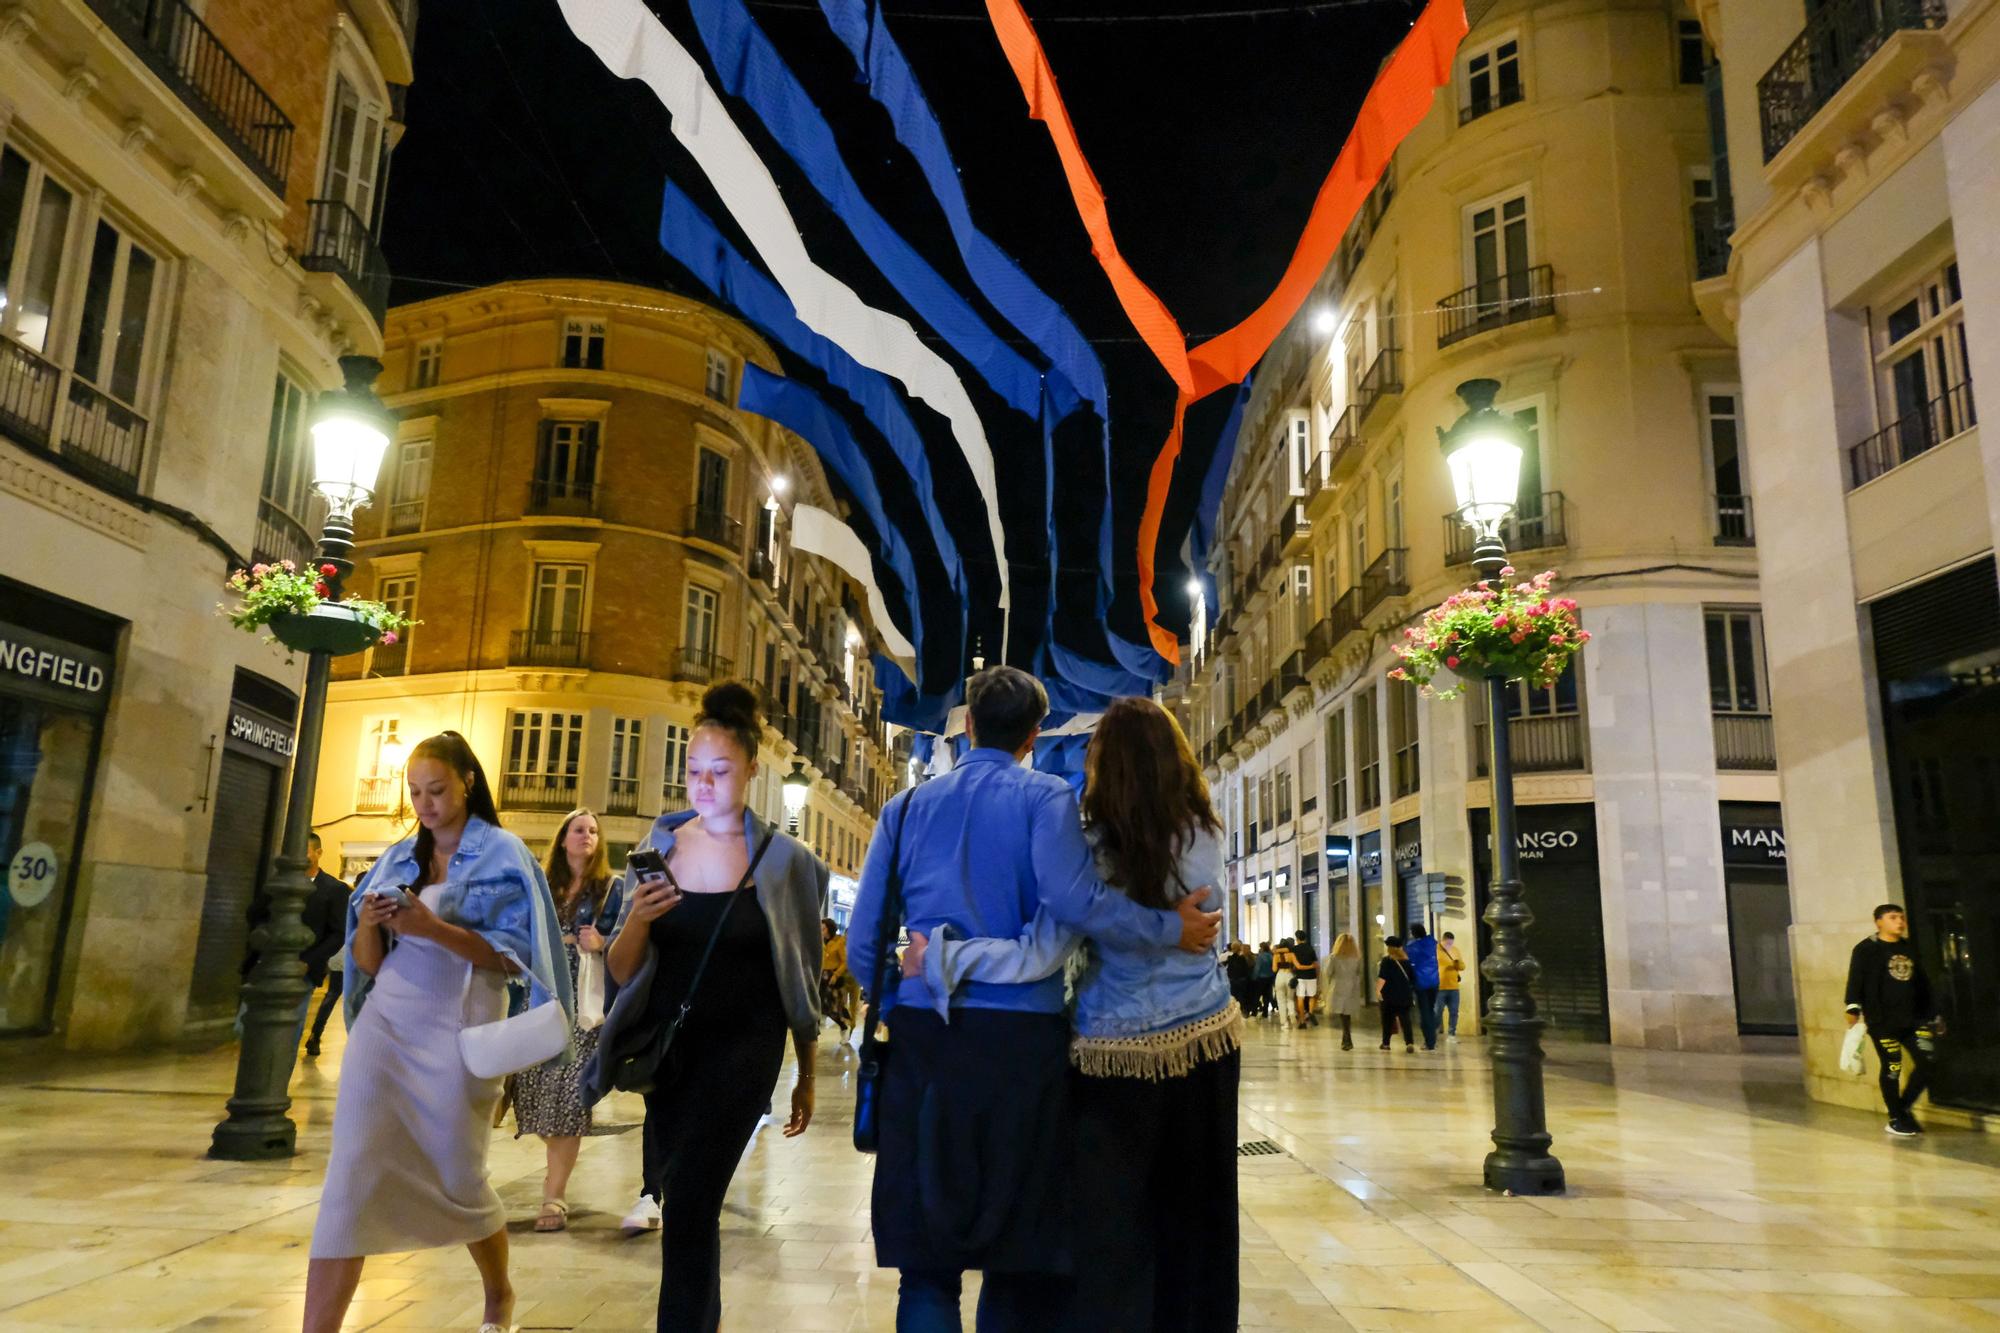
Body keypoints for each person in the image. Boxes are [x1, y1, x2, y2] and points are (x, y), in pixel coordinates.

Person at [845, 666, 1221, 1333]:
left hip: (926, 1044)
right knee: (1017, 1256)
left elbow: (862, 946)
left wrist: (909, 992)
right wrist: (1172, 927)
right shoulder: (1048, 799)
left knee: (926, 1265)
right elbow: (1079, 905)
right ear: (1035, 733)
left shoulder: (902, 812)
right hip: (1022, 1049)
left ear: (966, 726)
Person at [304, 731, 573, 1333]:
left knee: (459, 1176)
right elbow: (368, 962)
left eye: (437, 789)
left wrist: (428, 926)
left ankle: (498, 1294)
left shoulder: (506, 854)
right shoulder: (398, 857)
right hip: (387, 1024)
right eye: (416, 793)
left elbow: (517, 958)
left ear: (467, 781)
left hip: (464, 1026)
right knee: (350, 1175)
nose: (425, 804)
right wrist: (373, 923)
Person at [592, 681, 827, 1332]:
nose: (704, 783)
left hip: (744, 1056)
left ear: (752, 769)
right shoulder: (659, 847)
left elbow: (803, 974)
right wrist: (636, 917)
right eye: (694, 771)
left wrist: (806, 1071)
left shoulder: (786, 862)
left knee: (691, 1200)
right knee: (689, 1206)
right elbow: (620, 967)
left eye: (720, 771)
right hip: (671, 1055)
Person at [513, 808, 619, 1233]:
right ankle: (554, 1169)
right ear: (562, 838)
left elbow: (632, 945)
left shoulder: (611, 889)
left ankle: (554, 1196)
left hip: (583, 1006)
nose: (587, 836)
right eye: (579, 830)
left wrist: (603, 942)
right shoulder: (542, 887)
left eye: (593, 831)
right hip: (538, 999)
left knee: (568, 1099)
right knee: (534, 1095)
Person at [1845, 903, 1944, 1137]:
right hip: (1883, 1021)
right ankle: (1896, 1117)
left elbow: (1923, 983)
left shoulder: (1909, 948)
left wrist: (1934, 1014)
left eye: (1901, 917)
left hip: (1914, 1019)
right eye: (1893, 918)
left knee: (1929, 1063)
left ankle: (1903, 1108)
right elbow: (1855, 979)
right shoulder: (1866, 949)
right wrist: (1852, 1006)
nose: (1899, 922)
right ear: (1879, 922)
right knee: (1892, 1067)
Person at [298, 833, 351, 1059]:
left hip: (307, 968)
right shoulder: (278, 881)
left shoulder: (335, 889)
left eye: (305, 851)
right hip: (268, 966)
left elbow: (339, 932)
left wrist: (308, 962)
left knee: (290, 1029)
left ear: (318, 853)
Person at [821, 918, 861, 1037]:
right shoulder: (828, 942)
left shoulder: (848, 944)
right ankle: (844, 1025)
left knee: (849, 1007)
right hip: (834, 977)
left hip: (851, 979)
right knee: (835, 1004)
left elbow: (847, 961)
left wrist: (836, 974)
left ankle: (849, 1027)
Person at [1324, 932, 1364, 1051]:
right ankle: (1346, 1038)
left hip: (1338, 987)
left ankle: (1346, 1038)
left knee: (1343, 1013)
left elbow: (1328, 972)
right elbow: (1359, 972)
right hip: (1352, 987)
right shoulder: (1357, 958)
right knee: (1347, 1013)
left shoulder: (1334, 957)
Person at [1405, 922, 1441, 1050]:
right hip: (1434, 981)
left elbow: (1408, 964)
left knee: (1425, 1012)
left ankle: (1430, 1041)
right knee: (1430, 1009)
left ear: (1414, 933)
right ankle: (1434, 1027)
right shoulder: (1434, 944)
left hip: (1420, 983)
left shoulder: (1412, 948)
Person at [1377, 935, 1416, 1052]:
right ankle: (1409, 1042)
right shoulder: (1407, 961)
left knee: (1387, 1020)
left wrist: (1378, 991)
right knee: (1405, 1020)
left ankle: (1386, 1043)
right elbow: (1412, 978)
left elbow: (1382, 978)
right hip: (1404, 995)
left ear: (1389, 947)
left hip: (1389, 996)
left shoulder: (1386, 961)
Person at [1438, 931, 1466, 1040]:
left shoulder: (1455, 950)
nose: (1449, 946)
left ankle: (1451, 1034)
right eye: (1447, 944)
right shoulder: (1435, 950)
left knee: (1454, 1011)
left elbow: (1462, 967)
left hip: (1453, 986)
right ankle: (1432, 1034)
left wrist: (1457, 963)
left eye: (1451, 943)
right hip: (1440, 986)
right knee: (1437, 1011)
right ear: (1443, 941)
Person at [1290, 929, 1320, 1028]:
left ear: (1297, 939)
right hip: (1311, 976)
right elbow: (1315, 964)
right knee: (1311, 996)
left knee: (1300, 998)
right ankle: (1310, 1013)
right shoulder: (1311, 948)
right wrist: (1312, 968)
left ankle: (1302, 1020)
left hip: (1300, 977)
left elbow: (1297, 966)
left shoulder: (1294, 949)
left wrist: (1305, 967)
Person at [1270, 935, 1297, 1029]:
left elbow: (1274, 969)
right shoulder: (1292, 955)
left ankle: (1284, 1022)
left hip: (1280, 976)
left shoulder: (1276, 956)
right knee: (1290, 999)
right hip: (1289, 975)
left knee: (1281, 1001)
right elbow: (1297, 966)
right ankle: (1292, 1014)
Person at [1224, 941, 1253, 1015]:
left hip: (1232, 981)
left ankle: (1232, 1012)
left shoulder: (1229, 958)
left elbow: (1228, 969)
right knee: (1241, 997)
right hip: (1241, 981)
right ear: (1239, 948)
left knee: (1233, 997)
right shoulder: (1242, 958)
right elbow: (1245, 970)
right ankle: (1241, 1011)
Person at [1252, 942, 1275, 1018]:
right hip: (1269, 978)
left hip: (1261, 979)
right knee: (1267, 995)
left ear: (1262, 948)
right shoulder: (1271, 956)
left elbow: (1257, 968)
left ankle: (1254, 1012)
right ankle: (1265, 1012)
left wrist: (1254, 977)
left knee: (1257, 995)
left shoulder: (1260, 957)